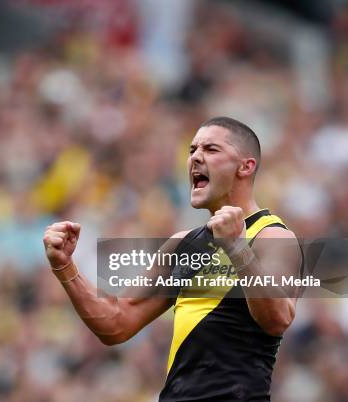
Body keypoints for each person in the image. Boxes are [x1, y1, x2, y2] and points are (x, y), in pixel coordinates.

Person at [42, 116, 302, 401]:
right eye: (192, 151)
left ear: (245, 166)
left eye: (211, 150)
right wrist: (65, 267)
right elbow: (117, 323)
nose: (195, 158)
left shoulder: (273, 237)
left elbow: (278, 318)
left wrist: (236, 247)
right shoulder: (184, 244)